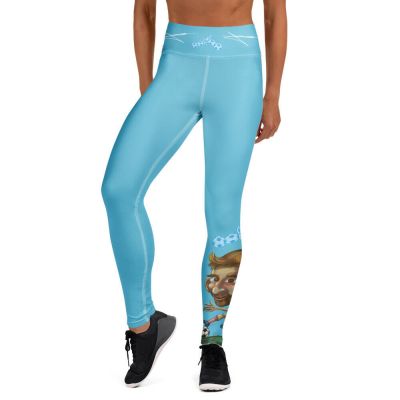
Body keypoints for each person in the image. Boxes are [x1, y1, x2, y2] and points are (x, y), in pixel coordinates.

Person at [101, 0, 287, 391]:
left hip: (238, 70)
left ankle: (213, 342)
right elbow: (144, 10)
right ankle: (143, 325)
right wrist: (146, 86)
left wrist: (272, 95)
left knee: (222, 213)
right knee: (118, 190)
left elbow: (274, 14)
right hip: (176, 67)